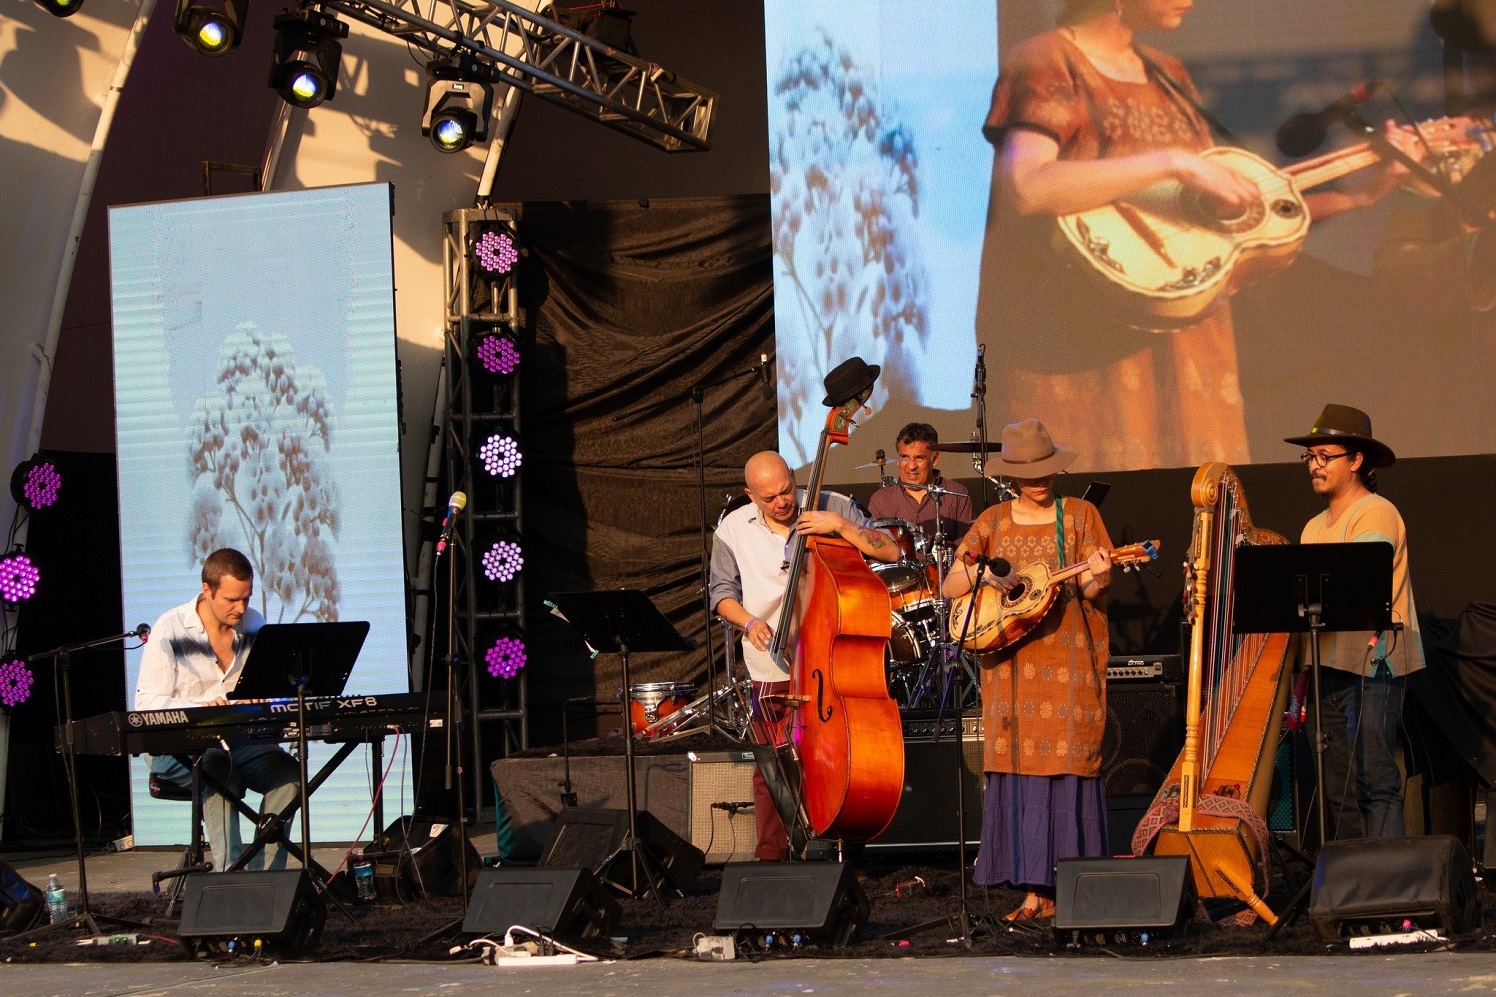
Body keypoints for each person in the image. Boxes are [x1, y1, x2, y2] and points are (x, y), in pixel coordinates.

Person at [976, 0, 1420, 470]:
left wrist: (1364, 194)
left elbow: (1228, 226)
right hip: (1080, 348)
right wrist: (1174, 162)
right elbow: (1027, 186)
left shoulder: (1168, 73)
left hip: (1187, 350)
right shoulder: (1047, 59)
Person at [940, 419, 1112, 920]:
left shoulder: (1079, 515)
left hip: (1069, 666)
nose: (1042, 480)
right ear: (1011, 475)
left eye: (1048, 470)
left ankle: (1067, 890)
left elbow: (1093, 594)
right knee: (1019, 773)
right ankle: (1034, 893)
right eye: (1031, 472)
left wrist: (1099, 576)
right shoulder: (992, 522)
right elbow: (952, 584)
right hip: (1011, 673)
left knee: (1066, 770)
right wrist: (986, 576)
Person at [709, 451, 900, 860]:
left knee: (840, 757)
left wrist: (842, 526)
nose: (782, 502)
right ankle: (772, 857)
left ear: (793, 477)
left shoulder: (834, 504)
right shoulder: (732, 529)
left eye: (786, 490)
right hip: (770, 664)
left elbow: (891, 552)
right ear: (750, 495)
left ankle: (844, 849)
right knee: (773, 767)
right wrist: (748, 622)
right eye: (769, 497)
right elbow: (721, 594)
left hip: (829, 662)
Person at [1285, 404, 1423, 840]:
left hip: (1371, 667)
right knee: (1336, 788)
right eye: (1310, 457)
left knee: (1374, 782)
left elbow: (1359, 574)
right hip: (1327, 668)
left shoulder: (1375, 511)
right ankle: (1354, 884)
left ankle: (1392, 890)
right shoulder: (1312, 527)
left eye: (1325, 456)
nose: (1315, 466)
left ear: (1356, 460)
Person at [135, 548, 300, 872]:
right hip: (178, 748)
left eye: (246, 598)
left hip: (236, 741)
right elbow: (146, 705)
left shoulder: (254, 623)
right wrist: (201, 706)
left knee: (289, 775)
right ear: (207, 590)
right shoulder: (170, 628)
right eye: (231, 600)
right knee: (216, 767)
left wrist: (263, 697)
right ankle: (230, 880)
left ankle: (266, 881)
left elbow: (267, 689)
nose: (241, 608)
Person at [867, 422, 975, 553]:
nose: (911, 466)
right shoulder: (881, 500)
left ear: (935, 459)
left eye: (919, 458)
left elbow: (967, 551)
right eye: (905, 457)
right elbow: (873, 551)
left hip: (947, 572)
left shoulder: (957, 494)